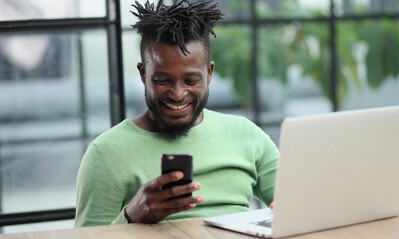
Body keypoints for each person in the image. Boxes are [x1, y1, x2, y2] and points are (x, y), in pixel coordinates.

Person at [75, 0, 279, 227]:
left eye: (191, 80)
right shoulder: (105, 154)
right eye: (163, 80)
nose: (178, 94)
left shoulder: (247, 135)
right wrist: (131, 216)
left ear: (209, 73)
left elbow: (297, 206)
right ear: (143, 74)